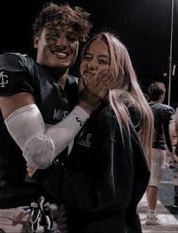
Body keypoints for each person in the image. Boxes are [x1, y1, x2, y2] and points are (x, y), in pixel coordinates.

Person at [0, 2, 111, 233]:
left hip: (58, 212)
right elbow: (37, 153)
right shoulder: (17, 68)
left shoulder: (76, 89)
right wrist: (85, 108)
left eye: (71, 37)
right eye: (52, 35)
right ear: (35, 40)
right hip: (13, 213)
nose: (62, 43)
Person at [28, 32, 154, 233]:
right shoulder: (99, 109)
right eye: (87, 57)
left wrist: (47, 173)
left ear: (119, 70)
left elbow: (108, 194)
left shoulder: (113, 114)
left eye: (103, 61)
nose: (91, 64)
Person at [145, 81, 175, 225]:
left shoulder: (143, 106)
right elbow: (167, 134)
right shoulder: (164, 109)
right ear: (162, 95)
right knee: (155, 182)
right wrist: (173, 151)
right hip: (157, 147)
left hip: (144, 147)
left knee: (148, 181)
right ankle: (151, 216)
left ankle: (150, 213)